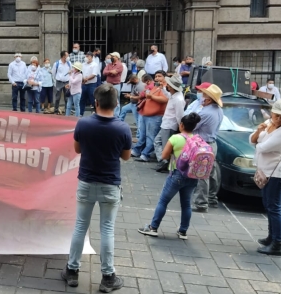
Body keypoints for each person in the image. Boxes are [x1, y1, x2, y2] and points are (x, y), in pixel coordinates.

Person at [61, 83, 131, 293]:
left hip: (86, 183)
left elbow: (77, 149)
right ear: (116, 103)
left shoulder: (83, 124)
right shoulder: (122, 128)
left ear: (95, 103)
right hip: (110, 184)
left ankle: (72, 272)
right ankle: (108, 277)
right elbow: (126, 157)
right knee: (107, 229)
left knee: (80, 226)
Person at [138, 112, 203, 240]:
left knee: (163, 201)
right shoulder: (197, 140)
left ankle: (153, 227)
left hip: (177, 174)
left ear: (181, 125)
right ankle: (183, 231)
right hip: (192, 176)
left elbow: (164, 156)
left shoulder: (175, 138)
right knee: (186, 204)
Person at [250, 99, 281, 256]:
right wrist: (258, 131)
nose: (280, 119)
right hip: (266, 171)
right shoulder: (270, 123)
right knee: (268, 205)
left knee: (274, 207)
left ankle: (277, 244)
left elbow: (262, 147)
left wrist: (260, 138)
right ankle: (271, 237)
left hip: (277, 173)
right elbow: (252, 140)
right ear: (272, 113)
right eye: (277, 115)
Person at [191, 84, 224, 213]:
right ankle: (211, 197)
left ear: (209, 99)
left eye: (203, 95)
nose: (201, 97)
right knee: (211, 172)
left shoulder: (205, 113)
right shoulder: (218, 110)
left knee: (202, 174)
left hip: (203, 144)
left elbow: (192, 126)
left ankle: (201, 203)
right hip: (211, 143)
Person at [132, 71, 168, 162]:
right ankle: (137, 151)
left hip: (155, 116)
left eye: (159, 76)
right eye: (156, 76)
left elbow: (165, 99)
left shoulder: (165, 88)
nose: (157, 78)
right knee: (143, 135)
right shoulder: (155, 86)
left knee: (151, 137)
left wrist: (151, 97)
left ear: (165, 77)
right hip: (146, 115)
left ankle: (145, 154)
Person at [154, 75, 185, 172]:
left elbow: (179, 115)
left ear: (171, 87)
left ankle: (165, 162)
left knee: (165, 145)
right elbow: (168, 95)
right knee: (158, 141)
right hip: (166, 124)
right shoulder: (174, 95)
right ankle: (163, 161)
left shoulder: (179, 99)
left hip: (170, 125)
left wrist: (181, 128)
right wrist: (162, 88)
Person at [102, 52, 123, 117]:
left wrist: (109, 72)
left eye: (112, 56)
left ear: (117, 57)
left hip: (116, 85)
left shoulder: (120, 65)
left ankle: (116, 116)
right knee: (108, 99)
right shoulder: (109, 65)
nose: (111, 58)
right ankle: (109, 114)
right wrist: (111, 72)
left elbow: (115, 73)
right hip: (108, 84)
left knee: (116, 100)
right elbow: (104, 72)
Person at [80, 51, 98, 116]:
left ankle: (94, 113)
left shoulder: (94, 64)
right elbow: (80, 73)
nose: (86, 57)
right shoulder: (83, 64)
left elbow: (94, 74)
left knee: (92, 98)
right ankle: (80, 113)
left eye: (88, 56)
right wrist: (82, 79)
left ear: (91, 57)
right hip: (84, 84)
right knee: (82, 99)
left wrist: (86, 79)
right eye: (86, 56)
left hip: (91, 84)